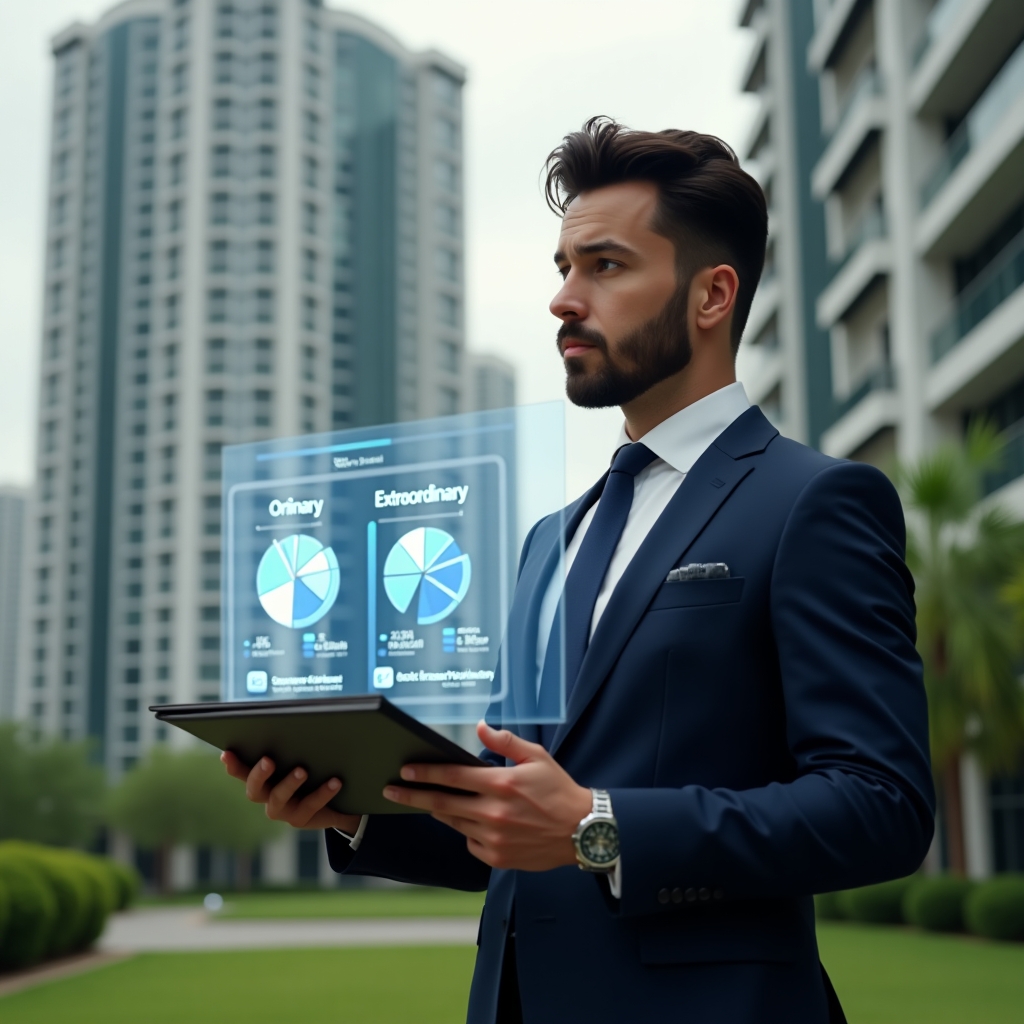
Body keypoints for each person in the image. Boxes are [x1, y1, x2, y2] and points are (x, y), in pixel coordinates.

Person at [222, 117, 934, 1023]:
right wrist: (352, 808)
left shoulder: (816, 502)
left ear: (713, 294)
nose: (564, 298)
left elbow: (882, 805)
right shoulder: (549, 541)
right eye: (563, 268)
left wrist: (601, 827)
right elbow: (510, 821)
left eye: (604, 266)